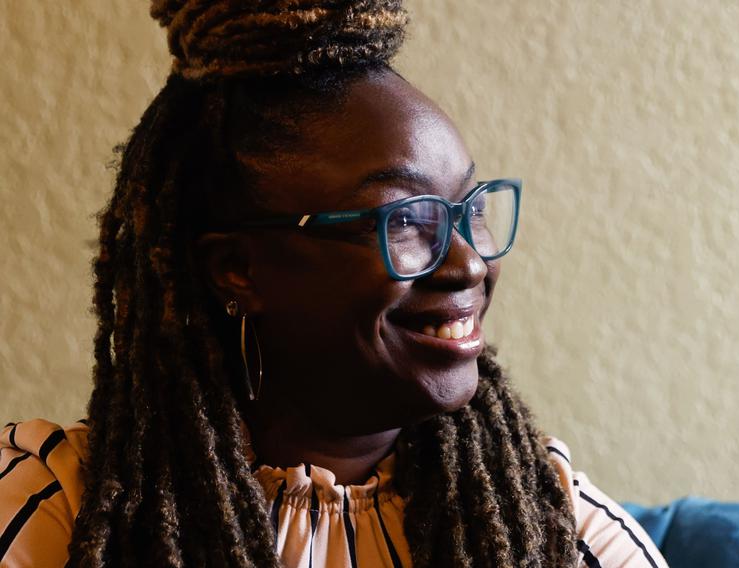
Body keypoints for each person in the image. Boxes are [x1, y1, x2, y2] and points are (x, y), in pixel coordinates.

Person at [0, 1, 668, 567]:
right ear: (237, 267)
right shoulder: (60, 512)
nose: (467, 264)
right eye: (405, 218)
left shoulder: (553, 524)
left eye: (471, 211)